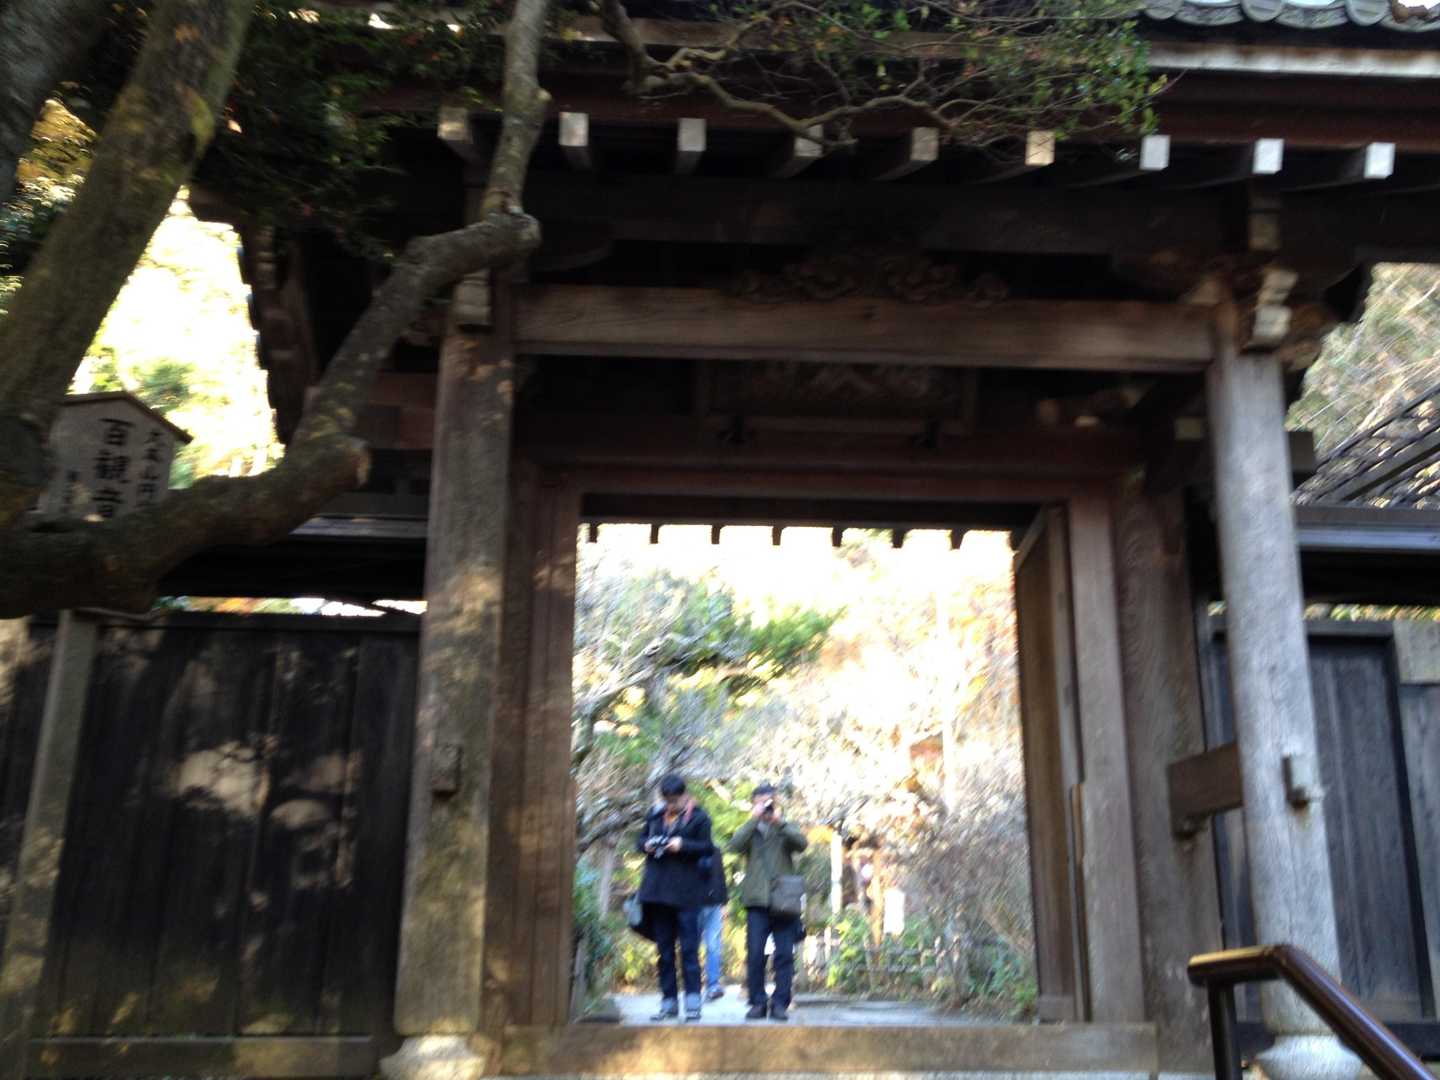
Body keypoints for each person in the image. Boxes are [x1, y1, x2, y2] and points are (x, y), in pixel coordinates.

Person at [727, 781, 808, 1022]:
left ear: (776, 802)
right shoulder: (750, 830)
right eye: (760, 803)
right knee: (754, 954)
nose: (765, 807)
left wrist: (779, 822)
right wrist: (754, 820)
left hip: (783, 901)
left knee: (784, 955)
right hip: (756, 901)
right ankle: (757, 1002)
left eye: (769, 802)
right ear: (753, 804)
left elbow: (802, 844)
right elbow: (734, 845)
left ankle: (781, 1003)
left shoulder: (784, 827)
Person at [636, 774, 714, 1022]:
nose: (670, 805)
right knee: (664, 951)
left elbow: (707, 848)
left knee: (689, 950)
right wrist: (647, 845)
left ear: (684, 795)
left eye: (674, 800)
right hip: (658, 893)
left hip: (687, 894)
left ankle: (693, 1002)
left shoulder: (699, 817)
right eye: (667, 800)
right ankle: (668, 1002)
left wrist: (683, 845)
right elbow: (639, 840)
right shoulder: (655, 815)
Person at [699, 845, 727, 1001]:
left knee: (714, 945)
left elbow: (721, 876)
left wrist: (724, 903)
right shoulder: (687, 848)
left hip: (714, 903)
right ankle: (693, 988)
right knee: (691, 946)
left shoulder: (715, 850)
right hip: (692, 903)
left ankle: (713, 985)